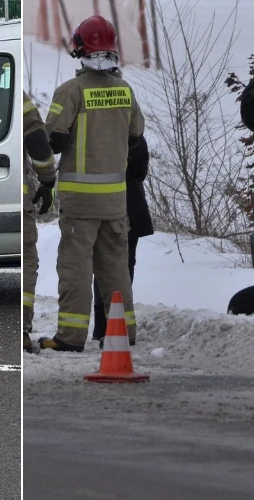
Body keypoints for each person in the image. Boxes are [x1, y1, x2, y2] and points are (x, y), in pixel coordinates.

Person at [36, 15, 144, 352]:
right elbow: (136, 135)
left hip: (81, 203)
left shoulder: (70, 91)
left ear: (79, 48)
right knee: (115, 270)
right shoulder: (125, 90)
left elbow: (51, 139)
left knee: (75, 269)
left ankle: (70, 337)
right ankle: (122, 334)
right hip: (115, 201)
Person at [90, 133, 153, 346]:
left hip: (106, 205)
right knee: (123, 267)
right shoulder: (133, 137)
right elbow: (140, 171)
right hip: (129, 206)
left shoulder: (98, 133)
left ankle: (103, 325)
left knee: (103, 266)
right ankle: (117, 325)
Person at [23, 91, 57, 354]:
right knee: (24, 258)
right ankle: (20, 328)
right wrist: (47, 180)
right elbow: (36, 138)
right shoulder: (13, 94)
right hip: (12, 196)